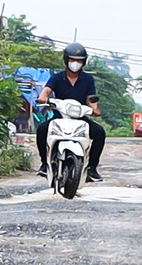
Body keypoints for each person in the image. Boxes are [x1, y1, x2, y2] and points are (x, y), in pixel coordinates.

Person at [35, 43, 105, 182]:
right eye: (73, 60)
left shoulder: (87, 79)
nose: (75, 63)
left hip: (80, 119)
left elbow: (91, 98)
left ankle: (91, 168)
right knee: (42, 130)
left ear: (83, 62)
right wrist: (43, 97)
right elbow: (47, 90)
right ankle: (44, 164)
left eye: (79, 60)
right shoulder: (57, 77)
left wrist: (95, 108)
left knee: (99, 133)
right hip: (59, 117)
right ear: (66, 60)